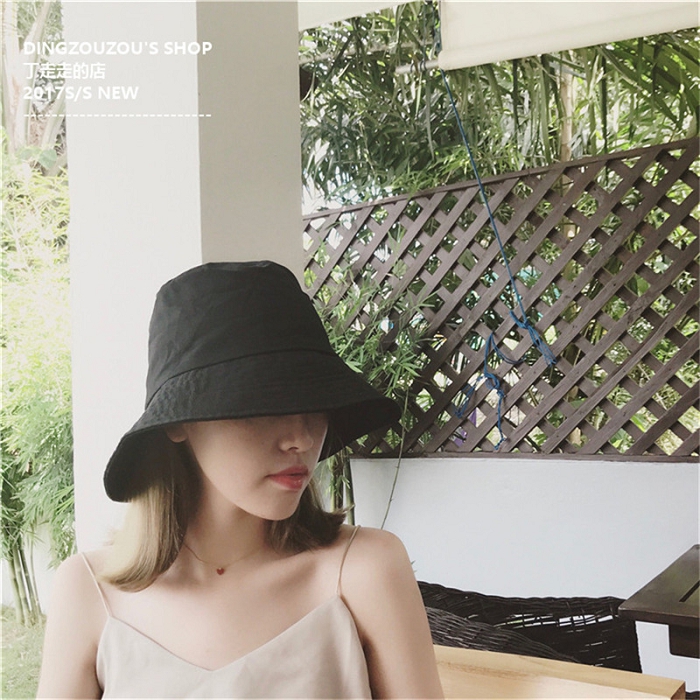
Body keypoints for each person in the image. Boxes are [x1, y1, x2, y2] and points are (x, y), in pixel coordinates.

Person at [37, 261, 444, 699]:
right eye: (262, 406)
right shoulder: (89, 591)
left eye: (315, 405)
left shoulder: (365, 571)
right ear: (178, 424)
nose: (302, 438)